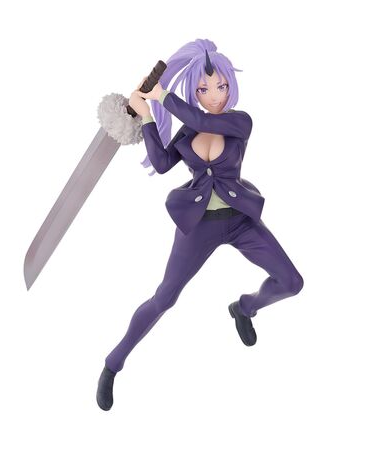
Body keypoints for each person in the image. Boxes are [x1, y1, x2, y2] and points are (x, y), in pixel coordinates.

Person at [96, 38, 304, 411]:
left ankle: (245, 307)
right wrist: (146, 113)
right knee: (164, 297)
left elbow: (205, 120)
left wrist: (161, 96)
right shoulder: (188, 132)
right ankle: (113, 364)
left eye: (221, 86)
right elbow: (162, 164)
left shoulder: (239, 122)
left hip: (240, 221)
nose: (215, 95)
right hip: (198, 225)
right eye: (204, 89)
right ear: (194, 91)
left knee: (291, 282)